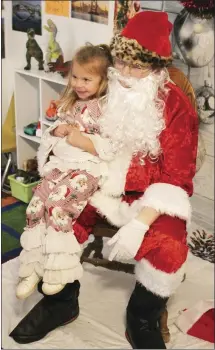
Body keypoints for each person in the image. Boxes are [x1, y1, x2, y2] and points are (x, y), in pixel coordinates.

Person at [10, 11, 198, 349]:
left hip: (148, 197)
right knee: (54, 212)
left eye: (138, 66)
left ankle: (142, 315)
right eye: (122, 61)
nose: (126, 73)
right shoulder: (104, 84)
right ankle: (61, 301)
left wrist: (140, 224)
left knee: (169, 245)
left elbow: (177, 177)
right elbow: (74, 116)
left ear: (156, 67)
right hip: (95, 181)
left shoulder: (176, 106)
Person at [15, 43, 113, 299]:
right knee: (36, 204)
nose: (79, 84)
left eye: (87, 79)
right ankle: (34, 266)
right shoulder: (70, 101)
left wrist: (80, 139)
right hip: (63, 164)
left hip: (88, 170)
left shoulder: (106, 109)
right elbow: (58, 128)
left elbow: (111, 148)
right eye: (76, 77)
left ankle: (59, 270)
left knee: (58, 206)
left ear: (103, 81)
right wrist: (56, 131)